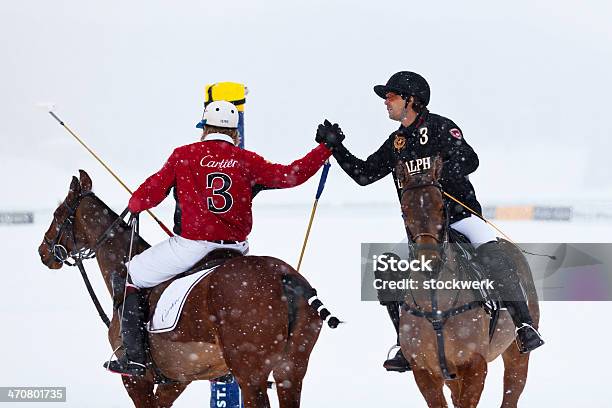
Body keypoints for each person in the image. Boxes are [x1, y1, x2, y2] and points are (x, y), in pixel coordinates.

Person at [315, 71, 544, 373]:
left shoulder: (439, 127)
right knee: (386, 266)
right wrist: (336, 148)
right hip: (422, 232)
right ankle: (403, 342)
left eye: (392, 96)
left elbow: (470, 160)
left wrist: (436, 174)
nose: (387, 101)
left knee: (496, 256)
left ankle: (524, 327)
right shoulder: (396, 142)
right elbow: (365, 175)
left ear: (412, 100)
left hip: (461, 219)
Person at [104, 100, 334, 376]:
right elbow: (289, 175)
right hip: (235, 249)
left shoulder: (183, 155)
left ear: (204, 129)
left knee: (133, 274)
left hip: (191, 247)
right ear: (234, 133)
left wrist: (136, 204)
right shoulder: (246, 160)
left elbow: (150, 193)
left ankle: (135, 356)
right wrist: (323, 150)